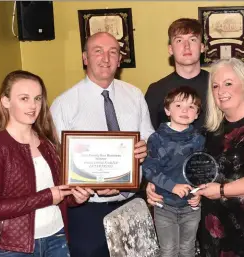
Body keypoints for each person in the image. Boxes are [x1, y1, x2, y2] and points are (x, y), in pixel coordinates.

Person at [148, 58, 244, 257]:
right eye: (215, 86)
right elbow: (186, 169)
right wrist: (157, 184)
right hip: (215, 234)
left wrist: (222, 190)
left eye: (228, 83)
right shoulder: (210, 131)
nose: (220, 91)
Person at [50, 32, 153, 257]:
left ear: (119, 60)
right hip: (87, 212)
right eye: (98, 51)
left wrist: (145, 147)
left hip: (131, 204)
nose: (106, 58)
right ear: (85, 58)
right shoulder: (64, 104)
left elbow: (149, 139)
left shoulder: (135, 95)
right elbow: (55, 162)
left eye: (113, 52)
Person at [0, 70, 92, 257]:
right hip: (11, 247)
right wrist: (46, 197)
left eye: (37, 98)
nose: (33, 106)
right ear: (5, 101)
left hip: (56, 237)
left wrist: (76, 197)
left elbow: (60, 193)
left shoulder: (47, 140)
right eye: (24, 98)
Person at [143, 86, 204, 257]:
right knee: (168, 250)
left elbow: (202, 172)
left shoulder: (199, 140)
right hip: (164, 205)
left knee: (187, 249)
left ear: (197, 114)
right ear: (167, 110)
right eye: (178, 105)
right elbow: (149, 169)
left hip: (191, 207)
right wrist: (172, 186)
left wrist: (199, 193)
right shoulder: (156, 139)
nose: (185, 110)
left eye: (191, 106)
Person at [145, 18, 209, 130]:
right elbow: (148, 135)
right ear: (170, 49)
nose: (186, 46)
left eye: (193, 39)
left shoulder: (218, 86)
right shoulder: (156, 90)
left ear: (202, 47)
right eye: (179, 40)